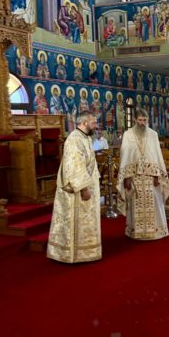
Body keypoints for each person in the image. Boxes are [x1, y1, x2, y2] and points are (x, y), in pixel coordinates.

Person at [47, 112, 101, 264]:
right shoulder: (74, 139)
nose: (95, 125)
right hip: (78, 189)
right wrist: (84, 188)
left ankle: (86, 251)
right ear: (84, 122)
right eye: (93, 122)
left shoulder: (85, 138)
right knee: (74, 220)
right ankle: (73, 254)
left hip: (87, 185)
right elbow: (74, 165)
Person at [117, 109, 169, 241]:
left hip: (151, 176)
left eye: (145, 120)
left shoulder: (153, 134)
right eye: (140, 120)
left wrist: (157, 175)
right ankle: (136, 231)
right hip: (134, 176)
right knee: (135, 202)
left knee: (155, 202)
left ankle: (157, 231)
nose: (142, 123)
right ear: (135, 120)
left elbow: (157, 155)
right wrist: (127, 177)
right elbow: (125, 156)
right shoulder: (128, 135)